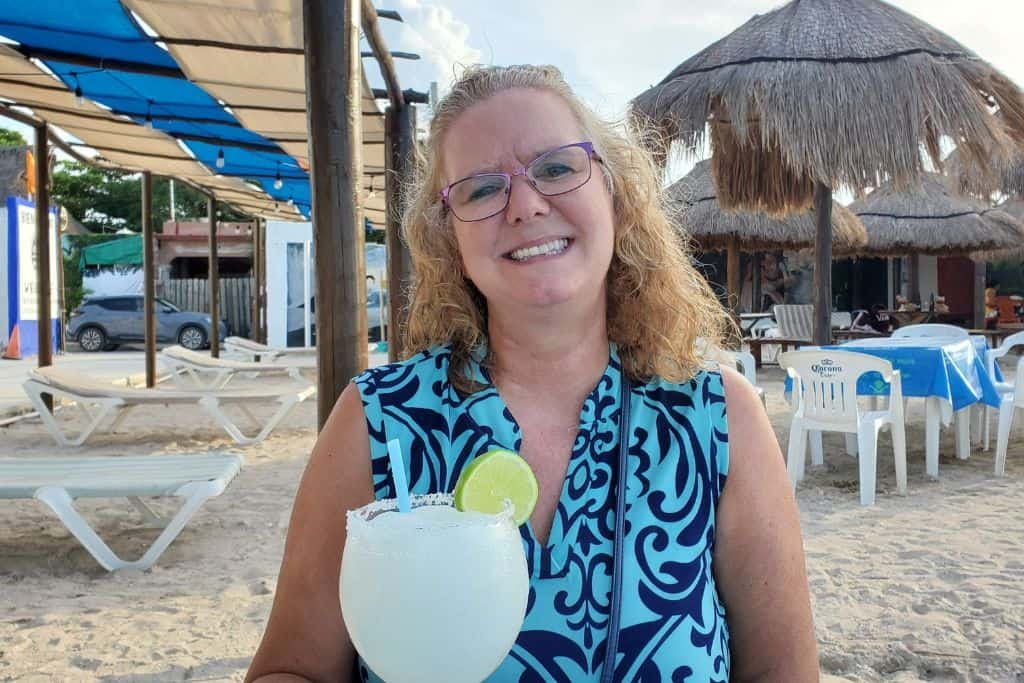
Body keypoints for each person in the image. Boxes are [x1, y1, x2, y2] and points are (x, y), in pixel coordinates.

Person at [246, 65, 818, 682]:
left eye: (555, 168)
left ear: (616, 196)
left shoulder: (718, 419)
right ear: (447, 238)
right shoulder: (379, 422)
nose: (524, 205)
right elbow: (292, 667)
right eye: (481, 189)